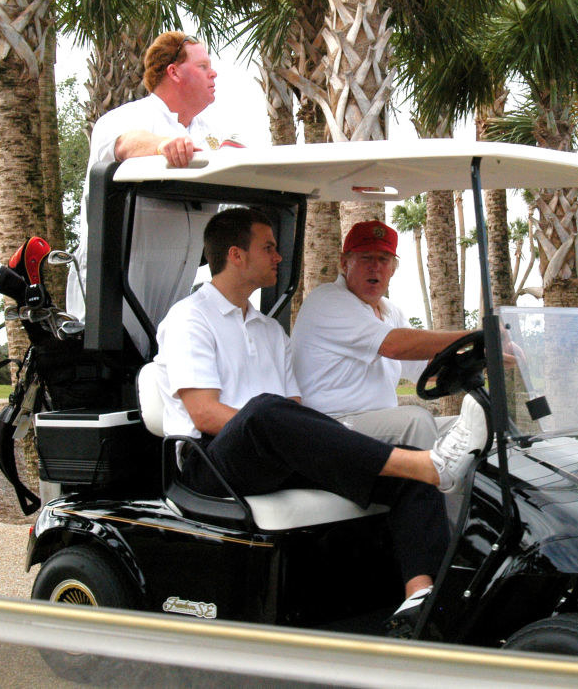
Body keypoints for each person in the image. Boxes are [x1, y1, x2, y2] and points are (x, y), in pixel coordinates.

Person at [153, 207, 488, 634]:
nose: (278, 257)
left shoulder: (269, 330)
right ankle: (430, 464)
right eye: (269, 247)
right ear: (236, 255)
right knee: (267, 412)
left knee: (407, 477)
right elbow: (204, 412)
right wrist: (286, 428)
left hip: (273, 457)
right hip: (211, 465)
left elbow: (296, 412)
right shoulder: (190, 318)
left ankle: (420, 604)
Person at [66, 31, 233, 326]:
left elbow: (239, 160)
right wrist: (161, 148)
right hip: (114, 288)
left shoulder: (212, 132)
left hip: (177, 288)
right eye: (203, 67)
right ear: (174, 72)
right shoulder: (124, 118)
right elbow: (125, 143)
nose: (214, 74)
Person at [291, 220, 470, 450]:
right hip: (329, 426)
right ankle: (427, 487)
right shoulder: (327, 300)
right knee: (415, 422)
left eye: (383, 259)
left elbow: (425, 368)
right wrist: (474, 334)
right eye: (365, 257)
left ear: (393, 269)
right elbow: (394, 346)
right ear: (344, 263)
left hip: (374, 428)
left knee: (469, 426)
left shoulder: (390, 311)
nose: (375, 266)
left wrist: (480, 359)